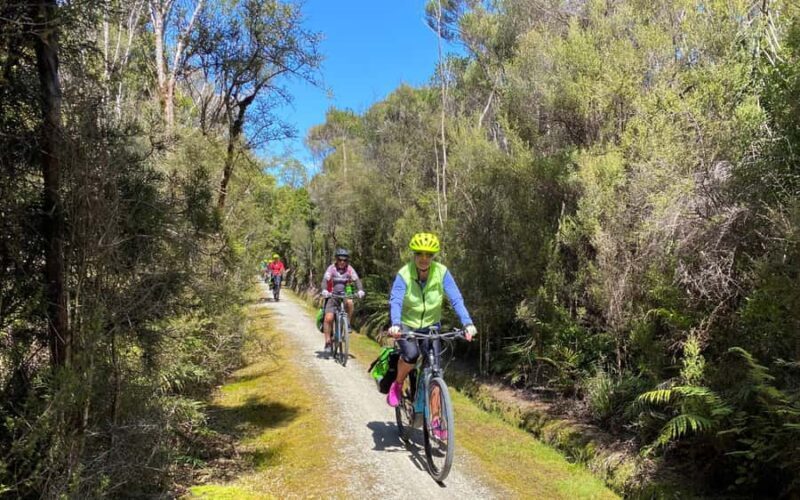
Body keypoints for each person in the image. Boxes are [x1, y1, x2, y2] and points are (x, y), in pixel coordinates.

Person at [386, 232, 477, 412]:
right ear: (414, 254)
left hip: (431, 325)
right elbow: (396, 300)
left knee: (435, 367)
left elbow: (456, 298)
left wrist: (467, 323)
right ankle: (397, 383)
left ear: (433, 256)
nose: (424, 258)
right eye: (420, 253)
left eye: (429, 255)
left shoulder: (442, 272)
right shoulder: (404, 274)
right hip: (406, 324)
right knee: (411, 355)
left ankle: (436, 418)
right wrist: (395, 323)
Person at [320, 248, 365, 352]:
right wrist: (324, 290)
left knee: (350, 302)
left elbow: (357, 280)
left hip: (344, 295)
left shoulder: (349, 269)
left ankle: (347, 323)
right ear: (336, 259)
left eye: (344, 260)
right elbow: (324, 280)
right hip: (332, 296)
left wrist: (360, 290)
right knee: (328, 318)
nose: (342, 262)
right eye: (340, 260)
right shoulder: (331, 268)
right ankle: (327, 342)